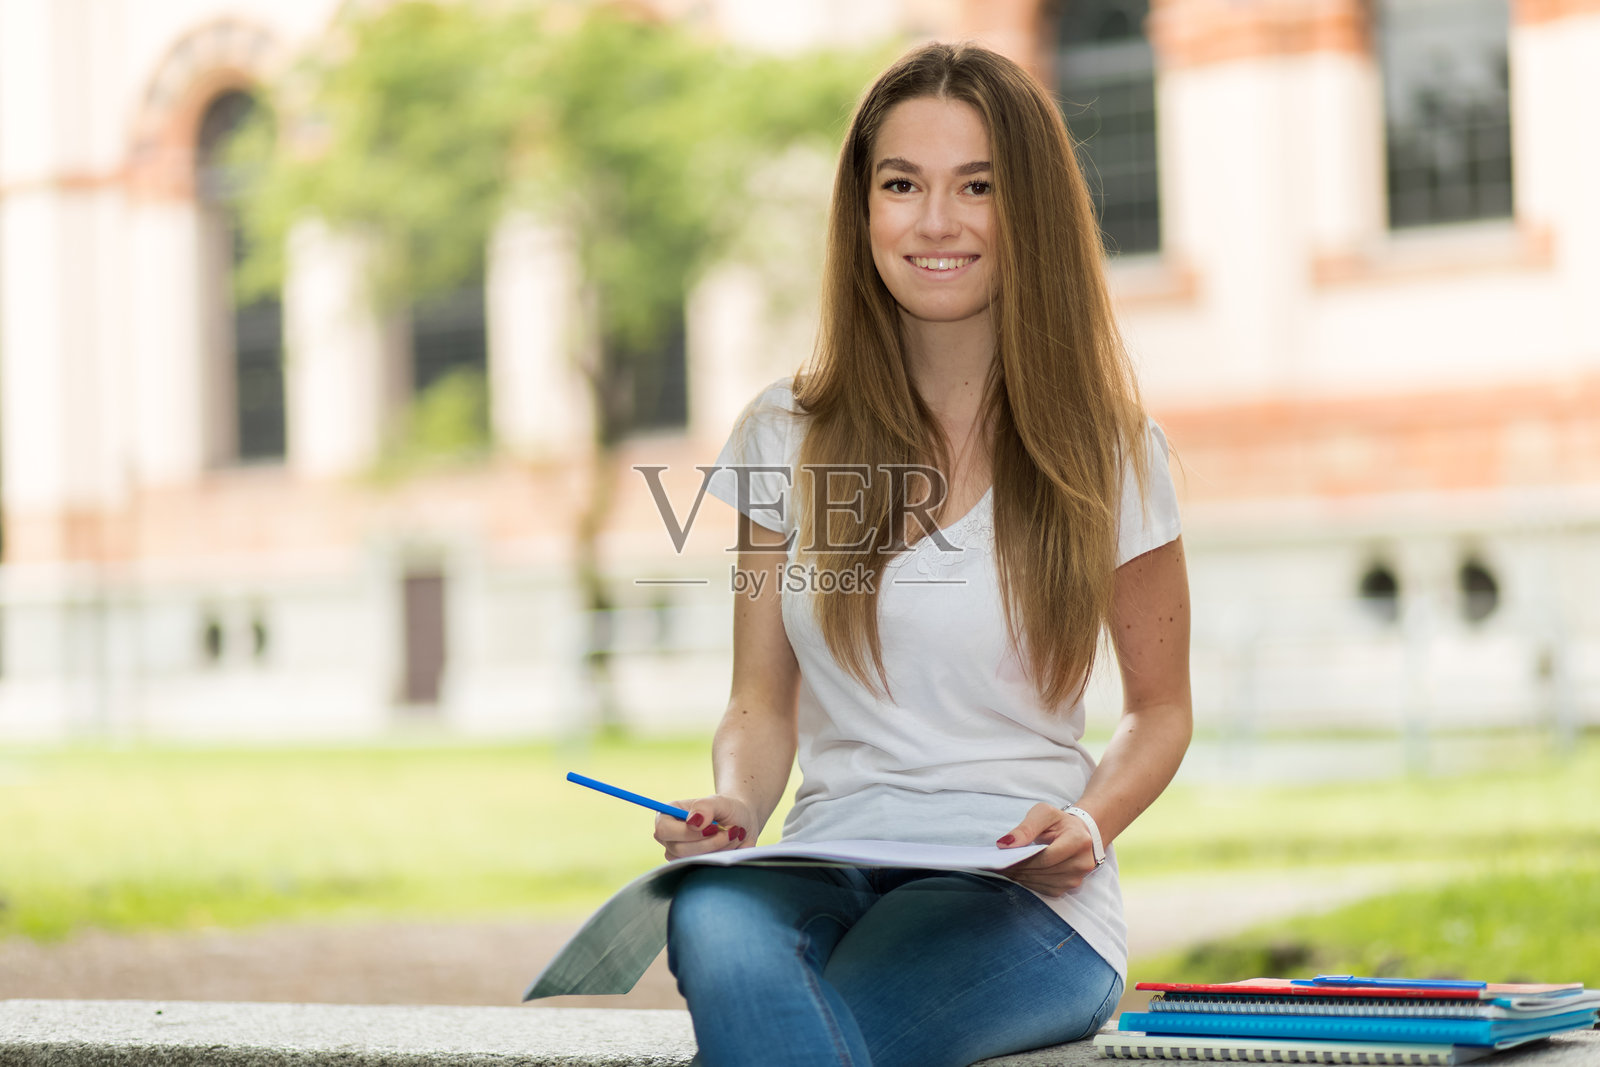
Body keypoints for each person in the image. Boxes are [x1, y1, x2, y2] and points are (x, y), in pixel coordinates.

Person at [656, 41, 1192, 1067]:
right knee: (713, 913)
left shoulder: (1112, 450)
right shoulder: (782, 432)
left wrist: (1089, 817)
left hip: (1017, 886)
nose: (934, 221)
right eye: (901, 184)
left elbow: (1160, 708)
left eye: (975, 187)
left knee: (828, 1016)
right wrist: (732, 801)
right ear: (863, 211)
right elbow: (759, 706)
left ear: (1025, 212)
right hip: (829, 848)